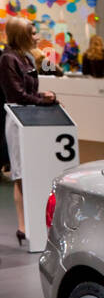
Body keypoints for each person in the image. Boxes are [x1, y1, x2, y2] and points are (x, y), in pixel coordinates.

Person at [1, 17, 58, 247]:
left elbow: (42, 80)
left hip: (32, 120)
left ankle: (33, 224)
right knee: (21, 175)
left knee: (32, 173)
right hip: (18, 121)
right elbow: (16, 95)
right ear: (22, 34)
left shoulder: (27, 57)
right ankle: (23, 226)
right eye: (33, 33)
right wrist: (42, 101)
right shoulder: (7, 59)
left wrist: (43, 97)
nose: (37, 37)